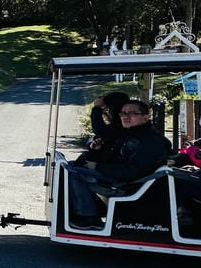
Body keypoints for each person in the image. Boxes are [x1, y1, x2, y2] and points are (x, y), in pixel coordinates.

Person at [66, 98, 171, 229]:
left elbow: (132, 172)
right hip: (121, 179)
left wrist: (97, 167)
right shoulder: (130, 134)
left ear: (146, 117)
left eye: (132, 113)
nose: (126, 117)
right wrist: (97, 151)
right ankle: (82, 212)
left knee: (74, 173)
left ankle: (89, 217)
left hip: (130, 186)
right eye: (123, 113)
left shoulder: (151, 141)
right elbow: (114, 159)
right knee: (69, 166)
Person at [74, 91, 130, 166]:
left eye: (108, 109)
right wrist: (94, 145)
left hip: (114, 167)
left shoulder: (124, 127)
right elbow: (102, 136)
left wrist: (96, 109)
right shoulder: (118, 126)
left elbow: (100, 130)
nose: (107, 112)